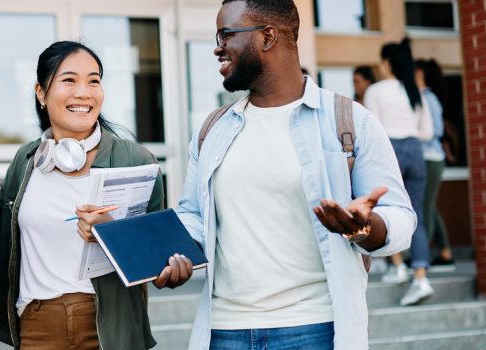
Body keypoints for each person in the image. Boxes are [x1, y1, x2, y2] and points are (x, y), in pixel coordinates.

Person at [176, 1, 416, 348]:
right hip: (225, 332)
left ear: (268, 37)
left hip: (314, 329)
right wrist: (165, 255)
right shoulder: (212, 129)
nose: (217, 48)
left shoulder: (349, 121)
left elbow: (400, 218)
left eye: (225, 35)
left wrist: (362, 227)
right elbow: (193, 219)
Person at [0, 41, 192, 350]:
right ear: (41, 93)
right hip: (37, 325)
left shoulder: (136, 160)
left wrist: (119, 238)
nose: (84, 92)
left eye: (94, 80)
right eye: (69, 80)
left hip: (111, 328)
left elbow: (157, 260)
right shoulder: (26, 161)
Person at [364, 40, 435, 306]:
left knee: (385, 209)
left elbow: (372, 130)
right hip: (416, 151)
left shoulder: (376, 90)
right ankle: (420, 278)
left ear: (387, 62)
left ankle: (398, 267)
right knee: (415, 212)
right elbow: (428, 132)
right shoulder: (414, 91)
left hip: (389, 151)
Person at [415, 58, 454, 269]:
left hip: (431, 158)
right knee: (431, 206)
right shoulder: (423, 97)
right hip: (428, 158)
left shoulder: (428, 98)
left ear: (419, 74)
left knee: (425, 206)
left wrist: (414, 136)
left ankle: (420, 257)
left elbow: (437, 130)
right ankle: (446, 252)